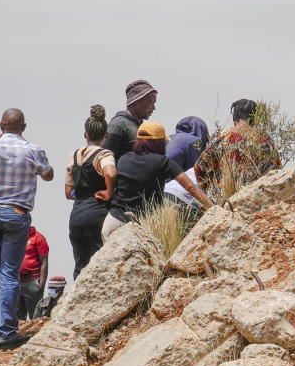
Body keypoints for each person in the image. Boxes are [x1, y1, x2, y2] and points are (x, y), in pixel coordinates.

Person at [0, 109, 54, 349]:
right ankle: (7, 332)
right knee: (9, 274)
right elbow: (48, 174)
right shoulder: (32, 150)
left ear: (0, 125)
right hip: (15, 213)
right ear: (24, 127)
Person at [103, 121, 214, 240]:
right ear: (159, 143)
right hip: (140, 226)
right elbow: (190, 187)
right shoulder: (162, 162)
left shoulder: (123, 159)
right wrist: (212, 207)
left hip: (113, 222)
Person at [65, 105, 117, 277]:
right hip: (97, 213)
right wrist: (109, 192)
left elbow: (68, 192)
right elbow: (110, 173)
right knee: (99, 265)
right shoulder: (104, 154)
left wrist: (80, 195)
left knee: (80, 265)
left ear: (85, 134)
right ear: (106, 136)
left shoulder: (74, 156)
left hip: (77, 215)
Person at [195, 99, 279, 199]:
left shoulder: (221, 139)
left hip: (223, 200)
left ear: (234, 116)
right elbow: (276, 171)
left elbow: (200, 170)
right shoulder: (265, 140)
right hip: (257, 199)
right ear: (256, 118)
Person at [103, 80, 157, 160]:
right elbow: (104, 160)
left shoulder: (140, 127)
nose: (153, 108)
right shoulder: (118, 125)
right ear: (136, 101)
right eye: (150, 103)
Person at [17, 226, 49, 320]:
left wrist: (41, 285)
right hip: (15, 281)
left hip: (32, 281)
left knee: (35, 317)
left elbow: (44, 262)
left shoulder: (38, 238)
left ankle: (36, 334)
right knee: (16, 318)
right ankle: (18, 334)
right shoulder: (14, 236)